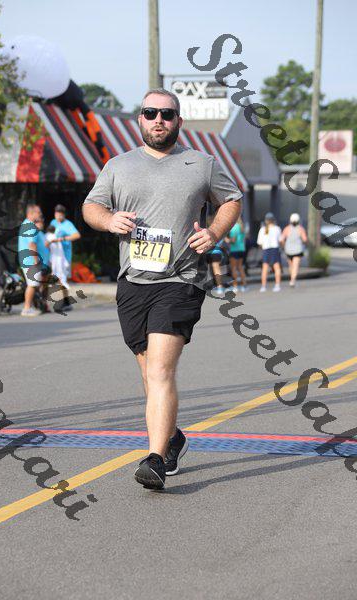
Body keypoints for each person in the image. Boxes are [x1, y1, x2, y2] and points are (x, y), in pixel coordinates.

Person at [82, 88, 242, 490]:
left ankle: (154, 459)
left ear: (178, 121)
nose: (159, 120)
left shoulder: (201, 164)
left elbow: (232, 200)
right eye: (151, 113)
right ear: (140, 118)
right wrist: (108, 220)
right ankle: (173, 438)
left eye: (167, 114)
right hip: (133, 282)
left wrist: (214, 232)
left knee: (159, 370)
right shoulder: (118, 166)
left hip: (181, 279)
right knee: (149, 373)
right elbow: (91, 206)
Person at [18, 204, 49, 317]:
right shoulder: (30, 226)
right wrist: (36, 260)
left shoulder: (28, 224)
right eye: (38, 212)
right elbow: (32, 244)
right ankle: (26, 308)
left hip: (29, 260)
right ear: (31, 213)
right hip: (30, 261)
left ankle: (37, 305)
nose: (40, 214)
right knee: (32, 284)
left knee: (36, 284)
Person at [50, 204, 81, 310]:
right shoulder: (53, 223)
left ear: (64, 215)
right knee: (57, 279)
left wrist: (62, 239)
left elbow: (77, 235)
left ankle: (65, 301)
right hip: (54, 256)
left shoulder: (68, 224)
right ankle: (66, 301)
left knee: (62, 279)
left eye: (60, 214)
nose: (58, 216)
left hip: (64, 257)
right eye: (56, 213)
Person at [257, 212, 282, 293]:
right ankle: (277, 285)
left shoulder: (263, 229)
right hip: (274, 249)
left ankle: (263, 286)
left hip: (266, 250)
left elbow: (260, 243)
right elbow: (280, 240)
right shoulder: (277, 229)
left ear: (266, 220)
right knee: (276, 267)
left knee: (265, 268)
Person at [281, 213, 308, 287]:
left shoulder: (287, 229)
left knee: (291, 266)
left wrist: (284, 246)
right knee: (295, 266)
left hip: (288, 250)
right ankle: (292, 280)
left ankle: (291, 279)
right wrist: (303, 243)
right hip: (297, 250)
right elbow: (305, 239)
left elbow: (282, 239)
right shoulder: (300, 229)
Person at [45, 224, 70, 289]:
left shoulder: (49, 235)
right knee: (57, 270)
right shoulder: (51, 236)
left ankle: (55, 283)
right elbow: (48, 244)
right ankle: (58, 283)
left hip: (54, 255)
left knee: (54, 270)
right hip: (55, 256)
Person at [226, 217, 247, 293]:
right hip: (241, 249)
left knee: (234, 268)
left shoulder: (234, 228)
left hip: (234, 249)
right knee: (240, 267)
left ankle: (235, 286)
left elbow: (233, 240)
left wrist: (226, 239)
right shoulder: (241, 227)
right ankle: (244, 285)